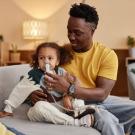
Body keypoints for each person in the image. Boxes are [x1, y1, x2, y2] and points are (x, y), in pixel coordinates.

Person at [29, 3, 135, 135]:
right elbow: (35, 76)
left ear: (93, 30)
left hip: (100, 100)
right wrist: (31, 93)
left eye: (77, 33)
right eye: (69, 30)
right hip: (75, 104)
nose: (71, 36)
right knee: (107, 120)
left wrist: (68, 88)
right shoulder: (59, 54)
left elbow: (102, 94)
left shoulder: (107, 55)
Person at [0, 42, 95, 128]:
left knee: (76, 95)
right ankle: (73, 122)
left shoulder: (62, 72)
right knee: (39, 107)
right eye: (42, 58)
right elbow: (19, 91)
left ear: (57, 61)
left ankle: (79, 111)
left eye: (50, 58)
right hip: (45, 109)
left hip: (62, 106)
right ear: (37, 60)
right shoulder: (34, 75)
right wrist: (8, 109)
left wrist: (67, 96)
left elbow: (74, 86)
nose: (46, 61)